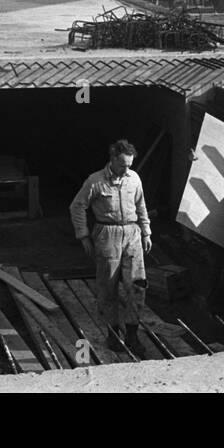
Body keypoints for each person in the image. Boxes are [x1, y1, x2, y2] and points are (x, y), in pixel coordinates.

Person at [70, 139, 152, 356]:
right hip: (107, 235)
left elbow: (141, 205)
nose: (128, 169)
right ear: (113, 159)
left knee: (137, 285)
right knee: (108, 286)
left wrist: (146, 232)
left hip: (132, 233)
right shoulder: (95, 181)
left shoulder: (134, 179)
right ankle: (114, 336)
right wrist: (84, 235)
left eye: (130, 164)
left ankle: (133, 336)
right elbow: (77, 206)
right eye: (124, 164)